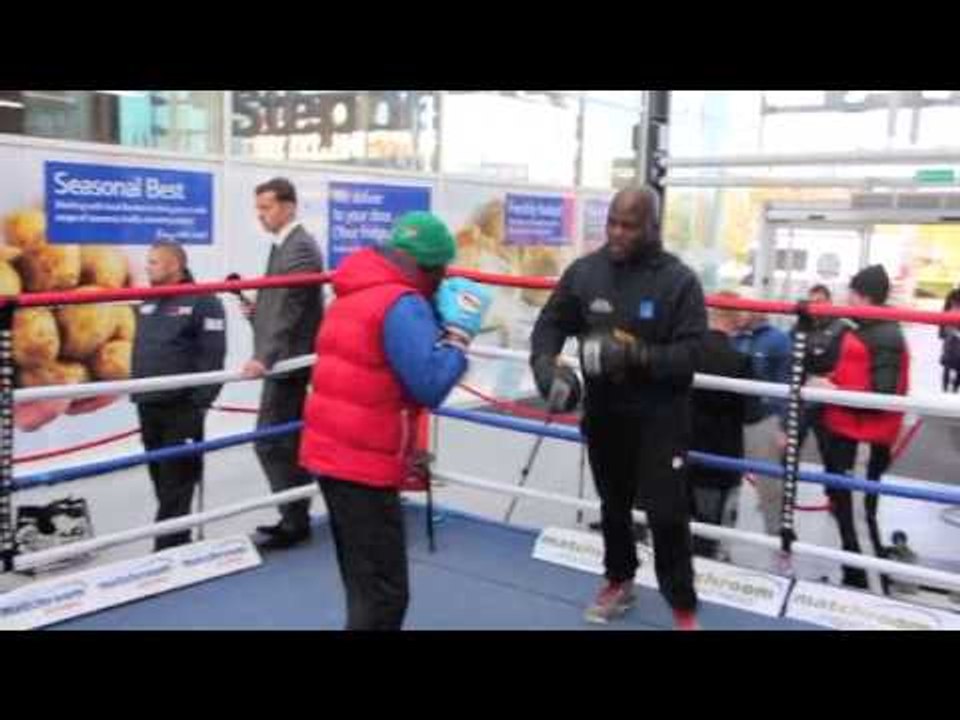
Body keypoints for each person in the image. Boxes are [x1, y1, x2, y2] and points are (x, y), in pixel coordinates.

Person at [299, 212, 492, 630]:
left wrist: (434, 325)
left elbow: (382, 363)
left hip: (332, 453)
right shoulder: (400, 304)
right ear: (428, 268)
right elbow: (430, 384)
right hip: (361, 464)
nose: (442, 282)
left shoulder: (355, 289)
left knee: (363, 584)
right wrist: (458, 335)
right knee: (385, 594)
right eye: (440, 273)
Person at [529, 186, 706, 630]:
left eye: (629, 225)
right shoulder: (586, 273)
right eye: (612, 222)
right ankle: (618, 580)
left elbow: (690, 356)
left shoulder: (679, 282)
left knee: (666, 512)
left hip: (661, 417)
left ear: (652, 227)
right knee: (613, 505)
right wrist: (547, 368)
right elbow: (549, 325)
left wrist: (633, 355)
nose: (617, 233)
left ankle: (682, 606)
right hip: (607, 413)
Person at [241, 177, 325, 550]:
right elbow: (281, 305)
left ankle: (295, 519)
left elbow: (291, 308)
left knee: (272, 442)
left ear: (289, 207)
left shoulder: (300, 247)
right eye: (258, 208)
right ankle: (295, 515)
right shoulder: (284, 246)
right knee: (282, 441)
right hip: (283, 359)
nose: (261, 216)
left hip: (288, 362)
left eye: (267, 207)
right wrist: (256, 312)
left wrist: (264, 357)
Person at [816, 264, 910, 590]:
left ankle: (872, 591)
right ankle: (855, 579)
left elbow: (881, 396)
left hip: (863, 439)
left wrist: (835, 391)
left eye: (851, 293)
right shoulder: (865, 328)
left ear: (864, 295)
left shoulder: (884, 334)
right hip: (849, 434)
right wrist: (832, 382)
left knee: (857, 515)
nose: (846, 298)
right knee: (846, 511)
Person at [131, 240, 226, 551]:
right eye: (148, 261)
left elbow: (213, 356)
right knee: (161, 478)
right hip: (148, 404)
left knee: (177, 480)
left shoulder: (203, 301)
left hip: (182, 408)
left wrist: (198, 404)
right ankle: (178, 542)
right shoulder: (147, 302)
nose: (148, 267)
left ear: (176, 265)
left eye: (154, 262)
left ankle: (166, 550)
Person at [688, 293, 753, 561]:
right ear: (735, 319)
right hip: (720, 454)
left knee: (677, 520)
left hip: (682, 447)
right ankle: (703, 576)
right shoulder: (740, 361)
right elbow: (749, 413)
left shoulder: (685, 351)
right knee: (709, 527)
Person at [732, 290, 791, 540]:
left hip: (764, 421)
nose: (738, 314)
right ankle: (718, 543)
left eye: (744, 309)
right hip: (732, 420)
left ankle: (778, 539)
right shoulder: (733, 337)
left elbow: (787, 385)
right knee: (727, 482)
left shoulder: (778, 340)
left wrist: (784, 427)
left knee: (770, 488)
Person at [793, 284, 852, 461]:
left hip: (829, 394)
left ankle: (834, 488)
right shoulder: (803, 325)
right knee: (790, 445)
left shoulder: (843, 327)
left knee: (830, 451)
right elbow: (794, 352)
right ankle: (786, 484)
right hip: (805, 391)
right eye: (812, 302)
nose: (816, 306)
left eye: (820, 301)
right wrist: (802, 320)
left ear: (829, 302)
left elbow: (847, 359)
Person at [940, 287, 960, 393]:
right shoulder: (952, 294)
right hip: (950, 329)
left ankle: (952, 388)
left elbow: (944, 311)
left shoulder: (952, 294)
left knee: (950, 361)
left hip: (951, 330)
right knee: (948, 361)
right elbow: (944, 311)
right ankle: (947, 388)